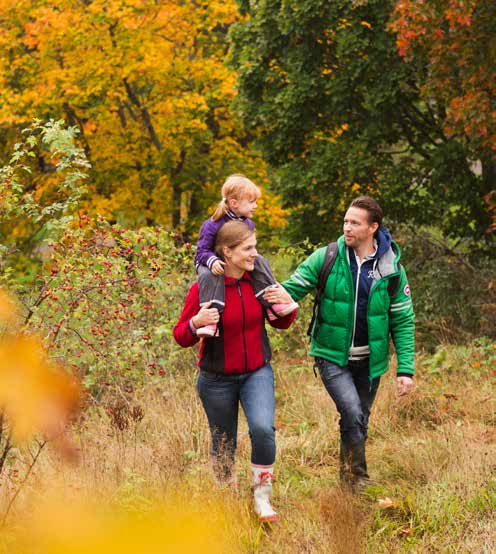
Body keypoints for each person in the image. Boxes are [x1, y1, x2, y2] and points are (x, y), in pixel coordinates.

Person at [264, 196, 415, 491]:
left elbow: (402, 320)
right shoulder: (327, 257)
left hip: (371, 361)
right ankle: (359, 478)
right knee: (353, 412)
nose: (346, 227)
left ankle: (348, 483)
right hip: (332, 356)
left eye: (354, 223)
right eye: (345, 221)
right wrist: (260, 287)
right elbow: (292, 289)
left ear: (373, 227)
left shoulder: (391, 267)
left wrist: (405, 370)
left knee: (358, 419)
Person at [174, 221, 297, 522]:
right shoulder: (203, 288)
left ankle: (262, 498)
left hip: (257, 372)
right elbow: (181, 336)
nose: (255, 254)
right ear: (226, 252)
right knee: (224, 440)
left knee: (263, 430)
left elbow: (280, 323)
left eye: (255, 247)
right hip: (216, 379)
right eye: (248, 249)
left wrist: (285, 304)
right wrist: (195, 321)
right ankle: (225, 494)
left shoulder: (257, 282)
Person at [194, 174, 297, 337]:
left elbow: (248, 251)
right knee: (209, 275)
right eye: (251, 202)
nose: (255, 206)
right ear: (234, 203)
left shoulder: (248, 223)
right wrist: (212, 260)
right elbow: (201, 251)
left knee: (260, 260)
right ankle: (210, 320)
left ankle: (272, 302)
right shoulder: (213, 224)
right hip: (208, 261)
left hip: (234, 262)